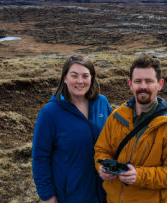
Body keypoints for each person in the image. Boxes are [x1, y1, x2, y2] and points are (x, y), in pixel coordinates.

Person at [94, 55, 167, 203]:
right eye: (138, 81)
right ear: (130, 84)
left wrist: (139, 175)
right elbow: (101, 150)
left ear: (160, 84)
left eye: (149, 81)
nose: (143, 86)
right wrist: (103, 167)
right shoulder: (116, 117)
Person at [32, 54, 111, 203]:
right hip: (71, 196)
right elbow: (40, 157)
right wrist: (47, 196)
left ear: (92, 78)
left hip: (105, 192)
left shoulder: (102, 102)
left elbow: (113, 140)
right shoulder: (50, 113)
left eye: (85, 76)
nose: (80, 81)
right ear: (65, 78)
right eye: (74, 75)